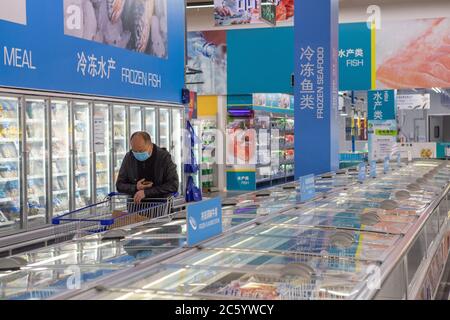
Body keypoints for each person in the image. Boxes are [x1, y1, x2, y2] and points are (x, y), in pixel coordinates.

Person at [116, 131, 179, 203]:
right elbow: (119, 185)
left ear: (150, 145)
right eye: (134, 151)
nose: (138, 154)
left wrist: (146, 192)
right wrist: (136, 187)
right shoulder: (129, 157)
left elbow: (173, 185)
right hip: (135, 207)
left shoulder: (163, 157)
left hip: (160, 207)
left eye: (141, 151)